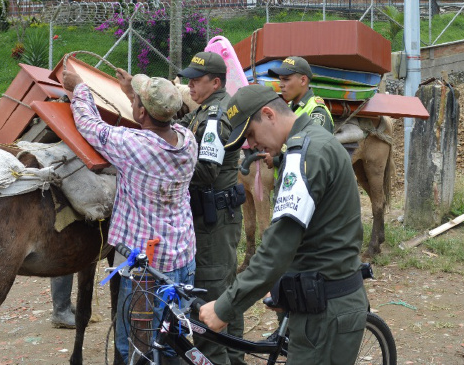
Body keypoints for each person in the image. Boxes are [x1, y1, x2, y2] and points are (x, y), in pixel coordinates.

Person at [198, 84, 368, 365]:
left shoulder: (305, 154)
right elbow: (312, 235)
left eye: (251, 134)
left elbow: (279, 244)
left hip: (325, 313)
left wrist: (225, 307)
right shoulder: (311, 144)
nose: (252, 146)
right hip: (323, 305)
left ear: (268, 114)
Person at [63, 68, 196, 363]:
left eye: (137, 100)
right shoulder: (187, 140)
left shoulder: (132, 145)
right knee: (172, 341)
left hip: (148, 270)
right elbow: (153, 120)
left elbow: (88, 124)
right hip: (183, 258)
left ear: (141, 110)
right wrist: (130, 94)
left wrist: (79, 88)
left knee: (137, 350)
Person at [177, 52, 246, 365]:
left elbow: (206, 171)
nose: (189, 84)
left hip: (213, 221)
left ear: (215, 82)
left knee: (211, 295)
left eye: (196, 79)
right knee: (227, 292)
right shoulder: (204, 110)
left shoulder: (215, 116)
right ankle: (234, 357)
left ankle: (221, 358)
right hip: (217, 216)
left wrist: (170, 167)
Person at [267, 56, 334, 133]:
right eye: (280, 79)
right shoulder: (289, 107)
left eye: (286, 79)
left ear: (303, 80)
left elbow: (317, 143)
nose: (280, 85)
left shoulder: (316, 111)